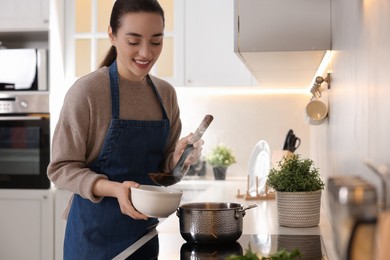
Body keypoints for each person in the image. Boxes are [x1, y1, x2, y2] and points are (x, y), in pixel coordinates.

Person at [47, 0, 204, 259]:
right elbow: (60, 168)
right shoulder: (87, 92)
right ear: (112, 34)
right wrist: (115, 189)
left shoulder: (165, 94)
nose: (146, 53)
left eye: (156, 41)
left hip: (143, 236)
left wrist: (178, 159)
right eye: (133, 41)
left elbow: (165, 174)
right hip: (93, 238)